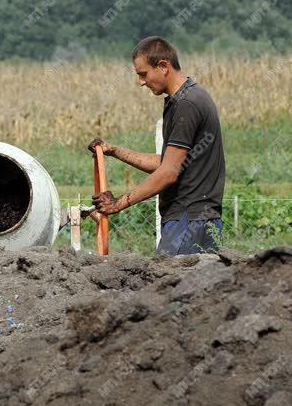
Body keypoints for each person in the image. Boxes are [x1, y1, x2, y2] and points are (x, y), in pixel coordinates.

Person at [89, 36, 225, 255]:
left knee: (171, 287)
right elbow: (166, 162)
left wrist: (118, 204)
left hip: (188, 220)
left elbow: (168, 173)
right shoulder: (187, 98)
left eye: (143, 74)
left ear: (163, 66)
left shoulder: (186, 104)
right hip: (198, 219)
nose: (141, 81)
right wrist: (114, 150)